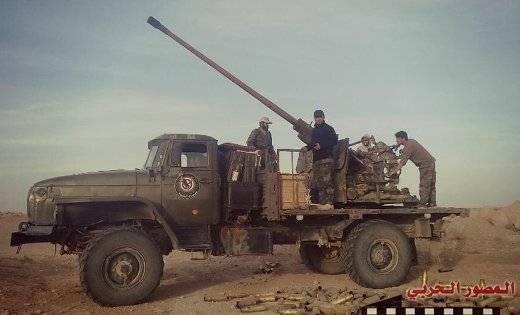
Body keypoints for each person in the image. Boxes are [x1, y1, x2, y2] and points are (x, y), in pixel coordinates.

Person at [394, 131, 436, 207]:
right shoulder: (411, 141)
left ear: (403, 138)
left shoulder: (408, 147)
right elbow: (406, 149)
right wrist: (397, 146)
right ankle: (432, 203)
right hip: (430, 162)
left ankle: (423, 203)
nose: (396, 141)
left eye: (398, 139)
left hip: (425, 165)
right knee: (431, 184)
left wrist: (393, 171)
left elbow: (402, 163)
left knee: (424, 184)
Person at [308, 109, 338, 209]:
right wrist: (310, 146)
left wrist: (322, 145)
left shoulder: (329, 129)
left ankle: (329, 203)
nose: (318, 119)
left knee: (327, 182)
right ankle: (323, 204)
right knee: (319, 183)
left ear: (323, 117)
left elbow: (334, 141)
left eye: (320, 117)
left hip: (326, 159)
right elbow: (312, 143)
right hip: (317, 160)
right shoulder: (314, 130)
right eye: (316, 117)